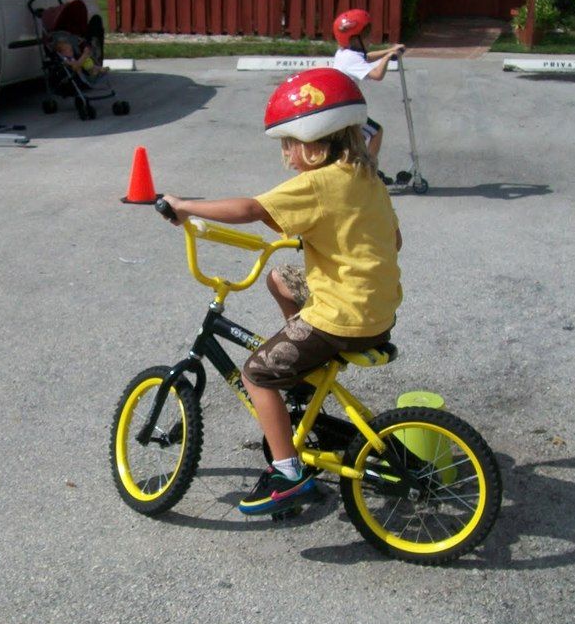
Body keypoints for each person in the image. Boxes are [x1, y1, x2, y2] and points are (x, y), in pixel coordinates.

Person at [161, 68, 403, 516]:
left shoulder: (317, 182)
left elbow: (252, 209)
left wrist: (184, 206)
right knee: (280, 277)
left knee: (256, 373)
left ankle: (288, 474)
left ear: (314, 143)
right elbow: (392, 240)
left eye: (289, 145)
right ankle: (305, 370)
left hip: (342, 318)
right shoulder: (365, 176)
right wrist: (325, 237)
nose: (288, 156)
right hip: (378, 309)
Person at [332, 9, 405, 182]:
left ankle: (362, 170)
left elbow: (367, 57)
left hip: (341, 107)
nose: (369, 39)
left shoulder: (345, 53)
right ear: (354, 39)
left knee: (354, 144)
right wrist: (387, 58)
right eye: (366, 36)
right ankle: (369, 173)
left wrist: (389, 50)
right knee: (376, 132)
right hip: (346, 111)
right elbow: (377, 75)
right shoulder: (351, 59)